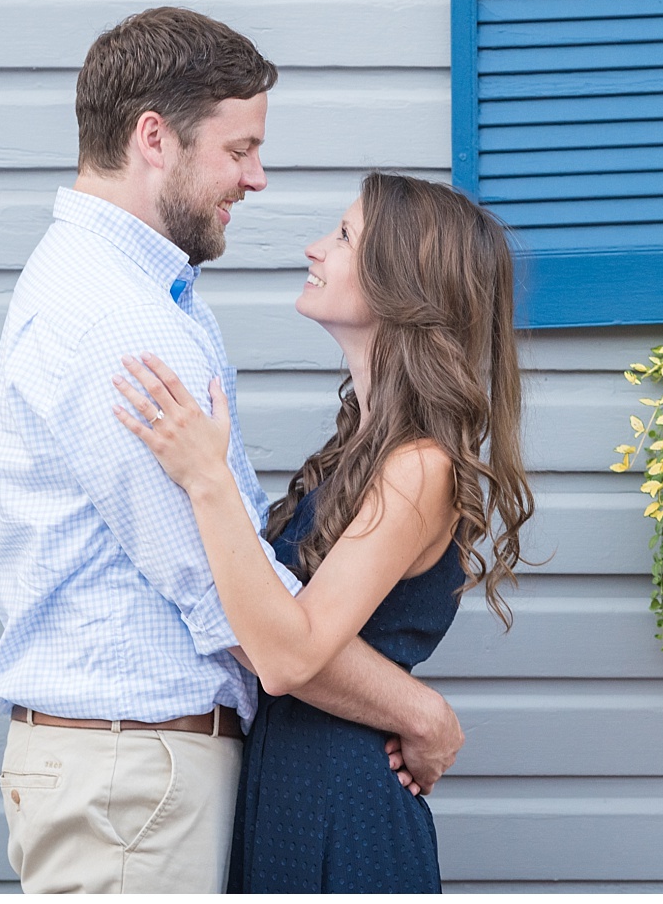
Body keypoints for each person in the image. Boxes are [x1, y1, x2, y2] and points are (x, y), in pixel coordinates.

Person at [0, 8, 463, 894]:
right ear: (154, 138)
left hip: (152, 778)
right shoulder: (121, 320)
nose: (258, 177)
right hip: (133, 781)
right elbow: (237, 610)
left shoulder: (136, 292)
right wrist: (421, 712)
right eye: (238, 149)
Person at [113, 170, 534, 893]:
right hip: (290, 785)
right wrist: (422, 711)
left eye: (343, 236)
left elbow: (291, 653)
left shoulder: (419, 467)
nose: (315, 248)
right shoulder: (357, 451)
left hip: (346, 806)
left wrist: (206, 478)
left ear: (402, 281)